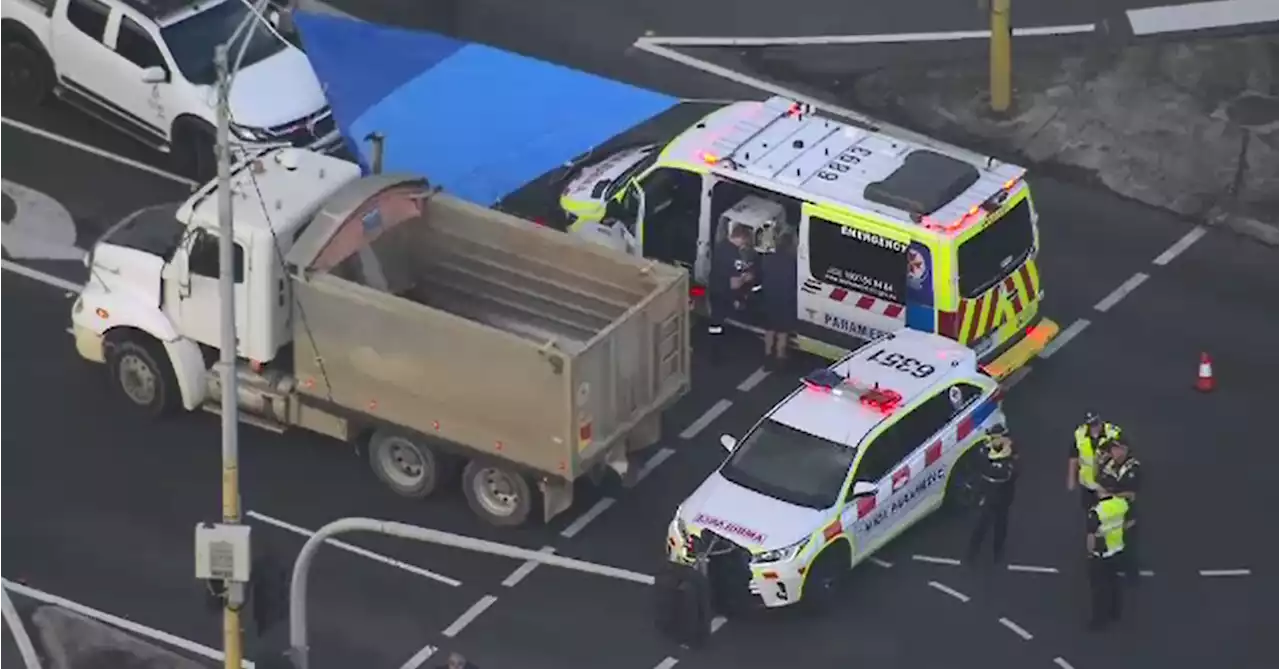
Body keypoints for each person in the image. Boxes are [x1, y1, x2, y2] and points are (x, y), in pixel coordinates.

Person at [705, 224, 757, 361]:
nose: (744, 245)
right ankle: (717, 354)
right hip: (724, 293)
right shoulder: (733, 254)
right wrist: (747, 278)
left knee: (715, 323)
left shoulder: (722, 245)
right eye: (745, 242)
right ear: (741, 238)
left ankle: (714, 349)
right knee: (720, 323)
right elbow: (734, 284)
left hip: (715, 288)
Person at [966, 429, 1017, 565]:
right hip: (988, 496)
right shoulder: (984, 451)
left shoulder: (1011, 454)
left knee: (1000, 527)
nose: (991, 440)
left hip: (1003, 498)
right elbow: (979, 467)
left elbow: (1006, 475)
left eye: (994, 437)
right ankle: (971, 554)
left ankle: (998, 553)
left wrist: (992, 464)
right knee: (981, 526)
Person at [1085, 491, 1133, 631]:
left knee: (1098, 589)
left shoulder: (1096, 511)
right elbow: (1130, 522)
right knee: (1114, 583)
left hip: (1101, 554)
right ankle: (1115, 612)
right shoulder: (1121, 504)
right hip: (1117, 549)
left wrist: (1089, 553)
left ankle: (1099, 621)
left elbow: (1091, 536)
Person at [1097, 439, 1142, 582]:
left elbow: (1132, 493)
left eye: (1119, 449)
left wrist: (1112, 495)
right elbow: (1099, 486)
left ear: (1126, 450)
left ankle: (1132, 575)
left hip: (1127, 514)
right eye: (1114, 449)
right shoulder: (1106, 467)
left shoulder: (1133, 468)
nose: (1116, 452)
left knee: (1129, 544)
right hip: (1110, 514)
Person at [1067, 412, 1122, 512]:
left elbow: (1123, 454)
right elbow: (1073, 458)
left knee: (1110, 512)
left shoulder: (1113, 433)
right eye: (1091, 425)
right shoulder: (1079, 434)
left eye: (1096, 424)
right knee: (1091, 516)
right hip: (1088, 484)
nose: (1094, 428)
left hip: (1108, 484)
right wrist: (1071, 480)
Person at [760, 230, 798, 368]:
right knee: (782, 331)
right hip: (785, 299)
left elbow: (762, 274)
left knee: (770, 328)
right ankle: (780, 357)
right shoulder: (793, 261)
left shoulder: (768, 257)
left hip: (770, 297)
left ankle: (768, 355)